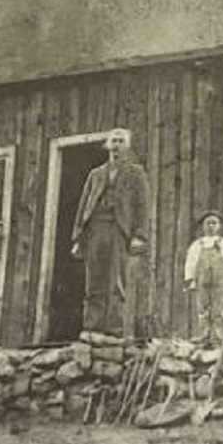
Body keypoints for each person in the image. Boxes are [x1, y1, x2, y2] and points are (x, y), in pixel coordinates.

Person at [70, 128, 151, 345]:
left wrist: (139, 235)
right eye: (113, 141)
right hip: (96, 228)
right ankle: (92, 327)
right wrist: (78, 237)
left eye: (121, 141)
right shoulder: (95, 174)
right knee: (94, 279)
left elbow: (142, 207)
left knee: (116, 281)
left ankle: (113, 329)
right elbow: (83, 206)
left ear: (127, 146)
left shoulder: (136, 173)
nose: (116, 145)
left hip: (119, 229)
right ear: (107, 145)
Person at [184, 210, 223, 343]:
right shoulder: (197, 244)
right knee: (202, 306)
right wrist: (190, 279)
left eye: (214, 223)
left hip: (219, 279)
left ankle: (218, 334)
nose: (211, 226)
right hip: (202, 279)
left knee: (219, 305)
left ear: (219, 226)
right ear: (203, 226)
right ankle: (204, 333)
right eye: (208, 223)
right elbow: (190, 262)